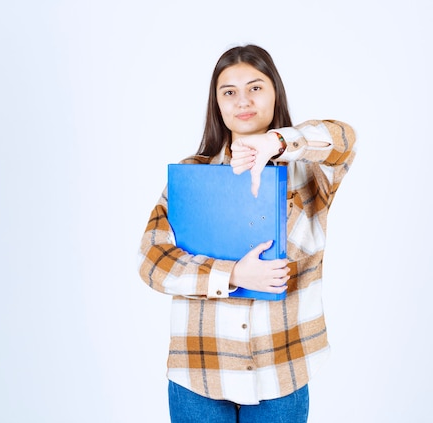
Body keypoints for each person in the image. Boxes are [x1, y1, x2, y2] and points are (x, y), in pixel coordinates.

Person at [138, 44, 356, 423]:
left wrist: (277, 143)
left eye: (256, 87)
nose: (243, 101)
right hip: (200, 371)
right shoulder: (193, 177)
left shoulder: (310, 173)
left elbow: (344, 138)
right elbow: (152, 262)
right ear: (217, 104)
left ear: (275, 93)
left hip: (283, 369)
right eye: (229, 92)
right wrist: (233, 275)